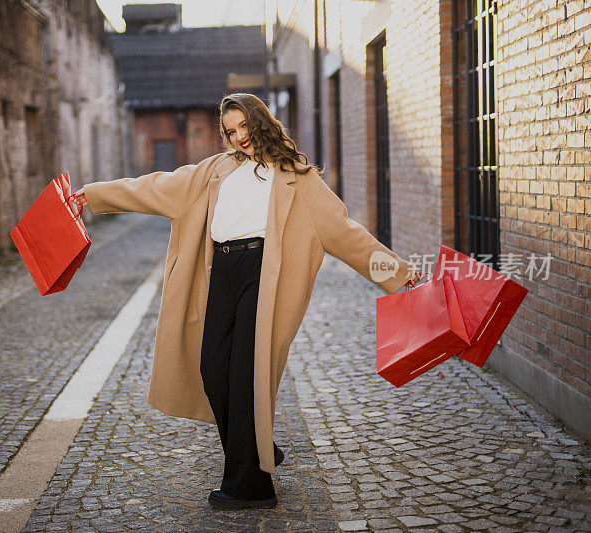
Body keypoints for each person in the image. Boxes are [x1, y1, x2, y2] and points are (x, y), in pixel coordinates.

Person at [70, 93, 422, 510]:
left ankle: (250, 484)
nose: (240, 137)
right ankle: (257, 447)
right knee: (213, 371)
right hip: (221, 272)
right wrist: (92, 196)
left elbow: (346, 234)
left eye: (245, 127)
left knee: (244, 375)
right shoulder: (216, 170)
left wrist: (400, 274)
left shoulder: (298, 178)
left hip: (262, 274)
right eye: (231, 131)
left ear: (261, 122)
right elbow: (156, 186)